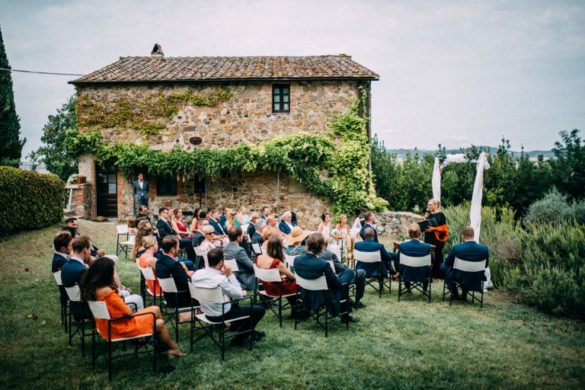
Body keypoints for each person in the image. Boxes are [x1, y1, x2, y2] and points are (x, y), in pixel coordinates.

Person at [80, 257, 183, 357]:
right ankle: (171, 348)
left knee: (155, 309)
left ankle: (161, 346)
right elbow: (128, 312)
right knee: (159, 323)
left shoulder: (92, 288)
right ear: (106, 273)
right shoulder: (106, 291)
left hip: (106, 324)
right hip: (117, 326)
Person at [191, 248, 266, 347]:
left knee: (234, 304)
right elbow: (239, 294)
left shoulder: (196, 275)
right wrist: (230, 275)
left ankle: (246, 330)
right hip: (221, 314)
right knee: (259, 310)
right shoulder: (221, 279)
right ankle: (239, 340)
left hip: (207, 311)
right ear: (221, 262)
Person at [293, 233, 358, 324]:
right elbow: (336, 284)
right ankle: (345, 316)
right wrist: (337, 278)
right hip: (322, 296)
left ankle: (345, 314)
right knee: (348, 275)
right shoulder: (323, 264)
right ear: (321, 247)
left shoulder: (297, 259)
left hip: (305, 294)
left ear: (308, 245)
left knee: (343, 279)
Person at [441, 226, 489, 301]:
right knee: (462, 272)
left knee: (443, 266)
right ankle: (464, 293)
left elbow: (447, 262)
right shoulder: (484, 249)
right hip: (476, 276)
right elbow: (485, 265)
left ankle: (455, 293)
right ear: (473, 235)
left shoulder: (457, 248)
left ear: (463, 236)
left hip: (459, 277)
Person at [155, 236, 195, 320]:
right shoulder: (174, 265)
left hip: (168, 296)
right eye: (178, 247)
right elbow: (186, 283)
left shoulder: (159, 262)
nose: (179, 249)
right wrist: (189, 274)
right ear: (172, 249)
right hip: (181, 298)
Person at [320, 238, 367, 309]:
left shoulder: (309, 255)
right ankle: (357, 301)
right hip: (334, 282)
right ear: (326, 244)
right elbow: (343, 269)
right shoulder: (329, 255)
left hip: (319, 283)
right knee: (361, 272)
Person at [398, 224, 433, 292]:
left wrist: (398, 271)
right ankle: (425, 289)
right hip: (422, 274)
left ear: (409, 234)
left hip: (406, 273)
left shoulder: (402, 246)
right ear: (420, 234)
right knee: (426, 266)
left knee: (405, 266)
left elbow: (397, 259)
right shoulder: (427, 247)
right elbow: (432, 259)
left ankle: (407, 287)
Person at [224, 227, 256, 291]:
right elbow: (252, 267)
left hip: (231, 277)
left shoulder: (226, 247)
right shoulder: (239, 250)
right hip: (243, 279)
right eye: (242, 235)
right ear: (238, 237)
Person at [423, 198, 448, 278]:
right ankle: (430, 272)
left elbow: (444, 228)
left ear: (436, 205)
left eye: (430, 205)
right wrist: (424, 219)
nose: (428, 206)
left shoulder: (441, 215)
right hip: (428, 238)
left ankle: (438, 274)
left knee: (437, 255)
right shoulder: (430, 214)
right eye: (428, 205)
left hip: (437, 239)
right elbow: (426, 225)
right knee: (428, 255)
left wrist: (434, 229)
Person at [52, 231, 73, 307]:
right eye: (70, 246)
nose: (72, 247)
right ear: (63, 249)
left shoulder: (62, 256)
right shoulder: (60, 261)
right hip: (69, 294)